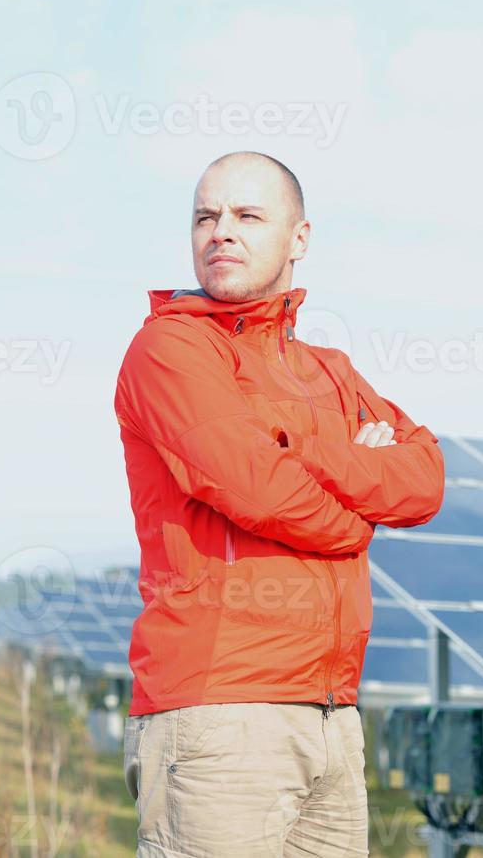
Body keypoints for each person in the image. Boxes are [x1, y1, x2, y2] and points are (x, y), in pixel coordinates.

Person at [113, 151, 445, 858]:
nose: (220, 232)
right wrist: (358, 507)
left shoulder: (329, 369)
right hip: (219, 714)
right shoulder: (171, 348)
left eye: (247, 215)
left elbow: (422, 479)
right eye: (206, 216)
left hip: (331, 715)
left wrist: (304, 448)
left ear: (299, 238)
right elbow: (255, 487)